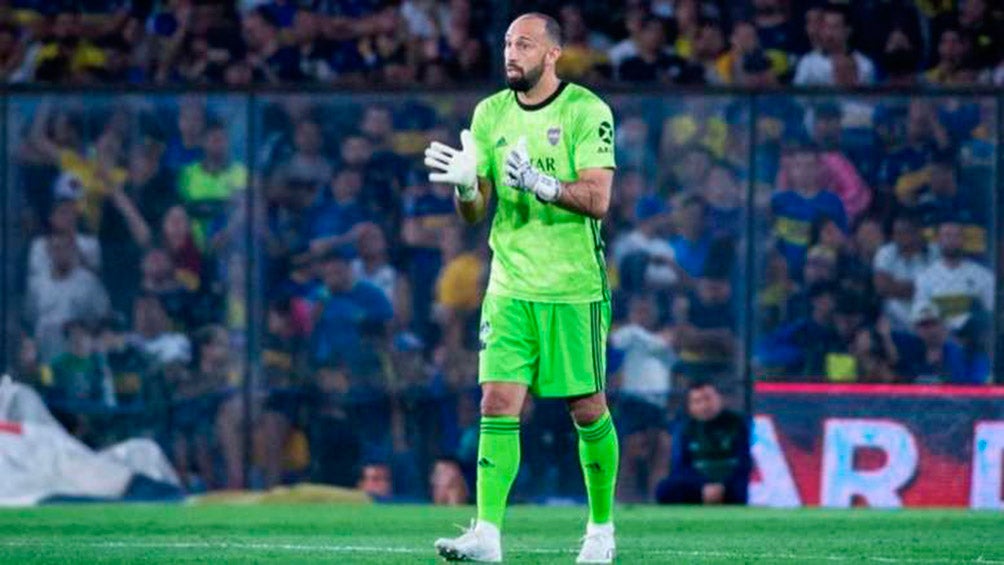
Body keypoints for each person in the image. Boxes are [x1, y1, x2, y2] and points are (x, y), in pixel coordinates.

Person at [423, 13, 618, 563]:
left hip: (573, 287)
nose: (512, 52)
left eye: (525, 44)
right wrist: (465, 186)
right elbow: (474, 212)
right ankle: (487, 534)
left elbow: (598, 199)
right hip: (509, 286)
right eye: (508, 42)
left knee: (587, 408)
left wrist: (542, 183)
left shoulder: (586, 110)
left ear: (553, 54)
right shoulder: (489, 113)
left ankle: (601, 531)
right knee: (497, 400)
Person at [655, 382, 750, 505]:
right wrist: (703, 486)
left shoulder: (738, 424)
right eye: (697, 401)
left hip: (730, 485)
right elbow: (682, 466)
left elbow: (744, 463)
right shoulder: (685, 430)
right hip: (699, 486)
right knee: (665, 489)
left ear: (719, 399)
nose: (704, 405)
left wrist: (722, 487)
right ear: (690, 407)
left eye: (708, 399)